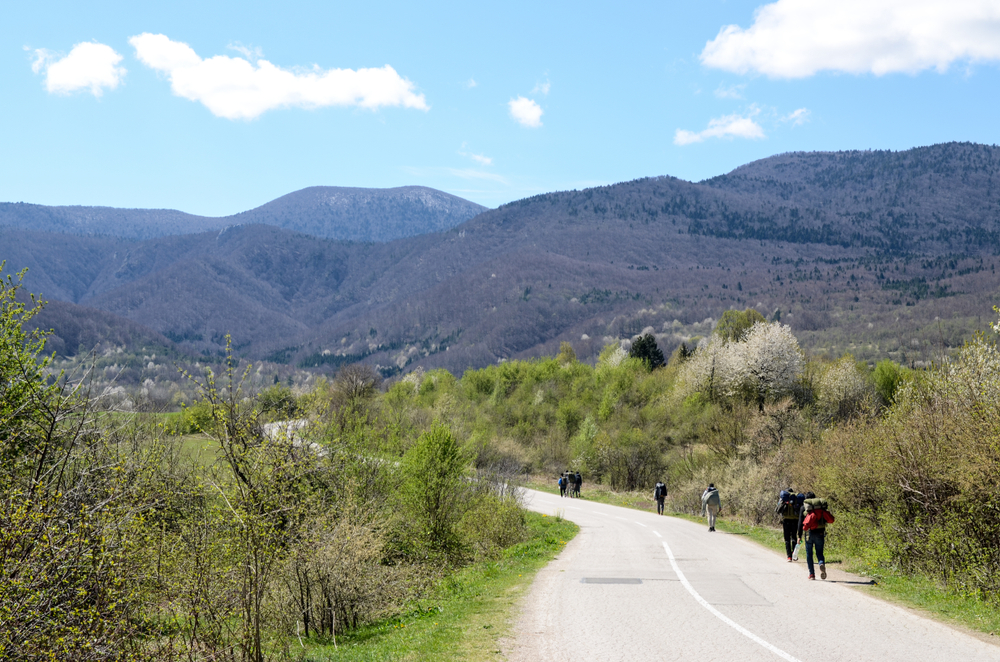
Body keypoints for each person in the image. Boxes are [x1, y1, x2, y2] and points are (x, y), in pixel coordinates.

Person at [797, 493, 835, 580]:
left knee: (809, 554)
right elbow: (831, 520)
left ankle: (811, 574)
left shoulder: (804, 508)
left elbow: (800, 523)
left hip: (809, 534)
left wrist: (799, 536)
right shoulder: (821, 509)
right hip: (820, 534)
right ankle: (821, 563)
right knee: (819, 553)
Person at [776, 488, 803, 562]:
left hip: (786, 521)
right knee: (794, 537)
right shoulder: (796, 499)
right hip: (795, 521)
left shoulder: (784, 499)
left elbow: (777, 510)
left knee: (787, 539)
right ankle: (794, 555)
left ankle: (789, 557)